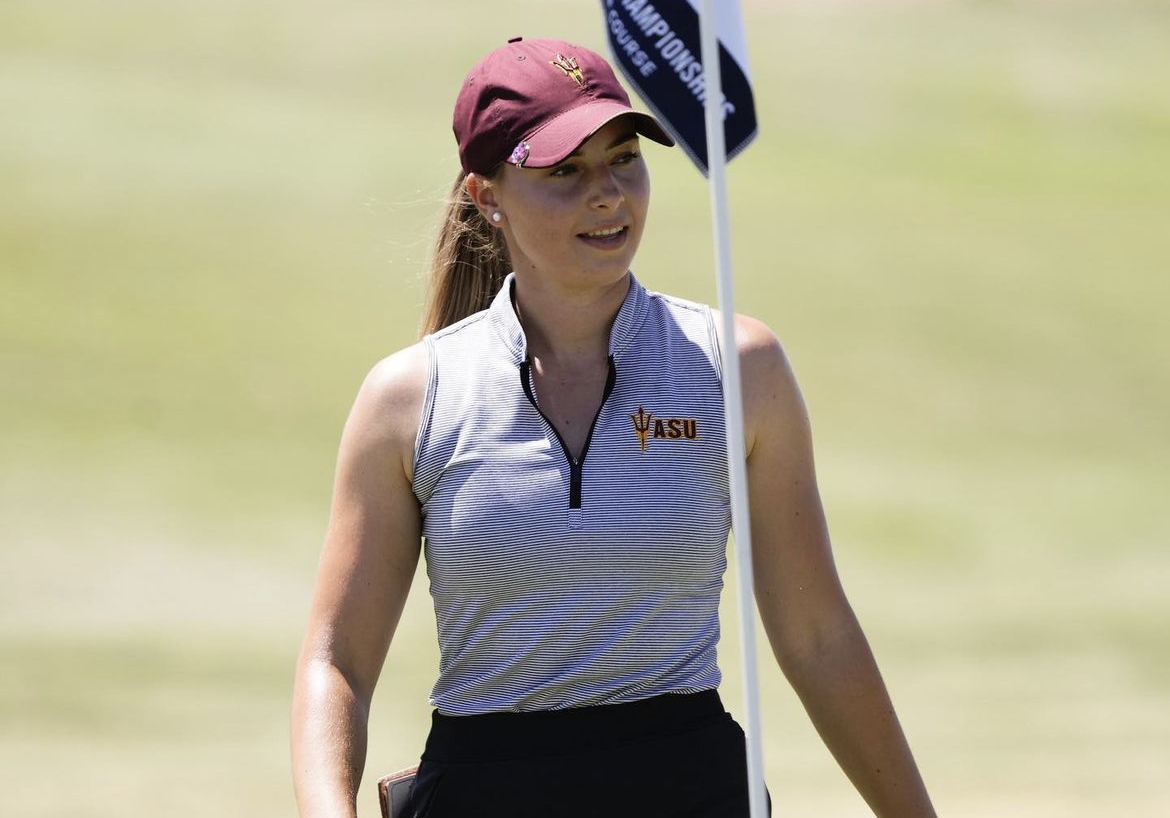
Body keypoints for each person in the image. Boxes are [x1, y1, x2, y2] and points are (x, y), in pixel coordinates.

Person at [291, 36, 938, 818]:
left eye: (624, 158)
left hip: (689, 789)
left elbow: (817, 636)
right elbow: (339, 661)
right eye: (565, 171)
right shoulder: (408, 399)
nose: (609, 194)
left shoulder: (737, 368)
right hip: (486, 791)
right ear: (488, 195)